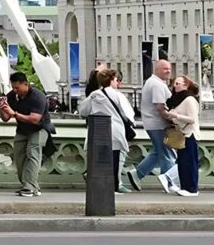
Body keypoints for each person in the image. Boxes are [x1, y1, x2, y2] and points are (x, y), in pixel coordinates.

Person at [126, 59, 178, 192]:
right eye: (165, 68)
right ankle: (169, 183)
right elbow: (160, 106)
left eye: (169, 69)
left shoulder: (152, 82)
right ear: (157, 69)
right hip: (160, 124)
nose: (168, 71)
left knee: (157, 152)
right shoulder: (157, 85)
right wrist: (171, 119)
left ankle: (137, 174)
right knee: (168, 153)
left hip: (152, 124)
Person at [0, 71, 52, 197]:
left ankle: (28, 187)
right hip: (22, 130)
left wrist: (14, 114)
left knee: (33, 154)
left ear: (25, 84)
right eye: (13, 87)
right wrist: (2, 109)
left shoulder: (37, 97)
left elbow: (35, 119)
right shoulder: (12, 96)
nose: (15, 90)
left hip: (39, 128)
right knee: (19, 157)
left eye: (17, 87)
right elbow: (5, 118)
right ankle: (31, 186)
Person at [78, 69, 132, 192]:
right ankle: (114, 186)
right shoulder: (118, 95)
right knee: (114, 160)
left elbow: (83, 111)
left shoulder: (94, 95)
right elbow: (128, 115)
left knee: (99, 161)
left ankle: (99, 186)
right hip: (115, 132)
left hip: (98, 131)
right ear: (112, 80)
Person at [165, 76, 201, 197]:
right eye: (174, 83)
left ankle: (192, 188)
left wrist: (175, 116)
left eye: (178, 83)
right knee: (183, 162)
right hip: (182, 133)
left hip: (190, 134)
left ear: (186, 85)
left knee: (190, 161)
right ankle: (185, 187)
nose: (175, 86)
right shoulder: (179, 100)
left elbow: (192, 119)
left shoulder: (190, 99)